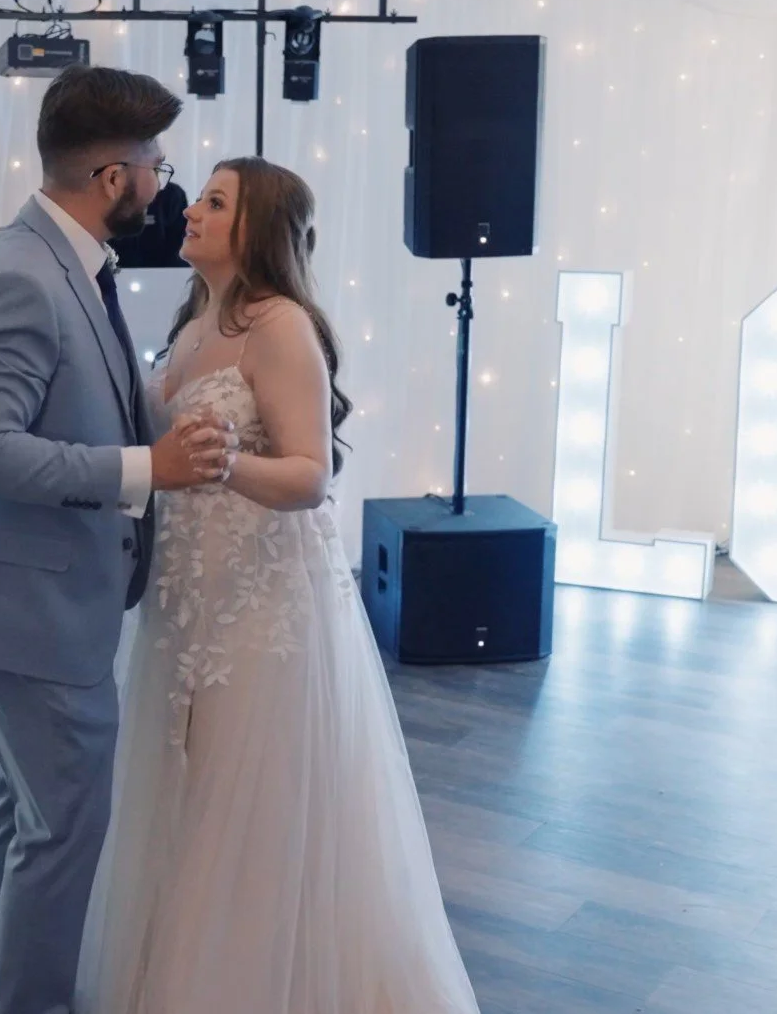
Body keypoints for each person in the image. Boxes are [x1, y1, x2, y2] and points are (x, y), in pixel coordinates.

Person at [78, 158, 481, 1013]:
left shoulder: (280, 325)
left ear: (254, 229)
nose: (191, 212)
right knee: (183, 784)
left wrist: (221, 468)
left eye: (214, 203)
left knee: (251, 794)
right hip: (186, 596)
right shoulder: (192, 323)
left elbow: (309, 475)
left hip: (260, 604)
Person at [0, 66, 235, 1014]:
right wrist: (150, 472)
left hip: (29, 608)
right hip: (35, 614)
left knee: (23, 821)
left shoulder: (65, 262)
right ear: (113, 177)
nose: (163, 183)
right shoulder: (22, 276)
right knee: (61, 831)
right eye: (154, 164)